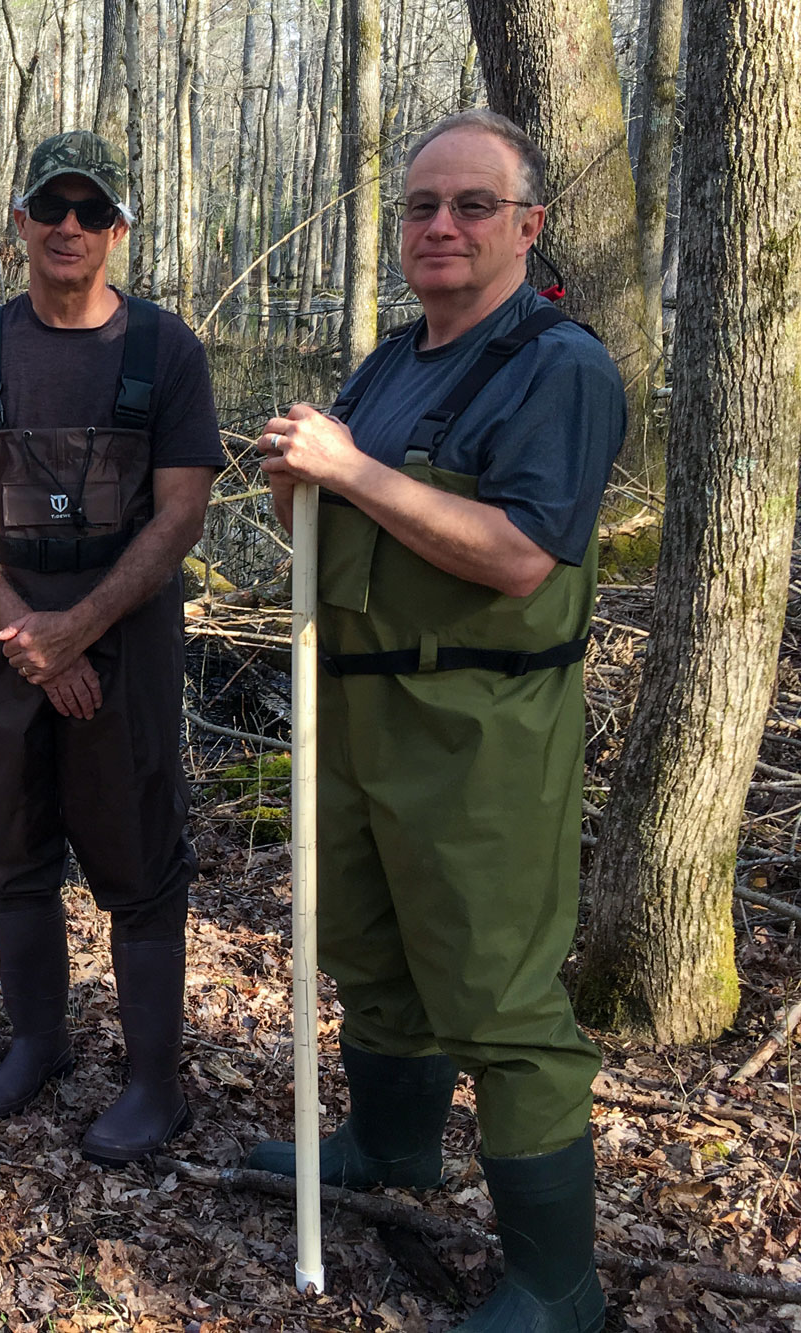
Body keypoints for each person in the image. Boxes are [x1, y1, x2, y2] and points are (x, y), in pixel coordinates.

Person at [250, 111, 623, 1332]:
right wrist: (299, 483)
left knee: (500, 1001)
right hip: (358, 710)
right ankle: (392, 1145)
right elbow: (345, 533)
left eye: (470, 206)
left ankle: (556, 1285)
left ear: (526, 225)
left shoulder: (560, 368)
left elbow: (518, 554)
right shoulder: (390, 361)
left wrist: (351, 471)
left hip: (482, 731)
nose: (441, 227)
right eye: (420, 207)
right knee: (372, 946)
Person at [0, 131, 221, 1164]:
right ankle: (38, 1039)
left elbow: (178, 516)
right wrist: (23, 634)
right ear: (20, 221)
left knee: (136, 858)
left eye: (92, 212)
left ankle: (150, 1083)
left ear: (118, 230)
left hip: (119, 635)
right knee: (10, 849)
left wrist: (75, 631)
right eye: (52, 207)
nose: (69, 228)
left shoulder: (163, 352)